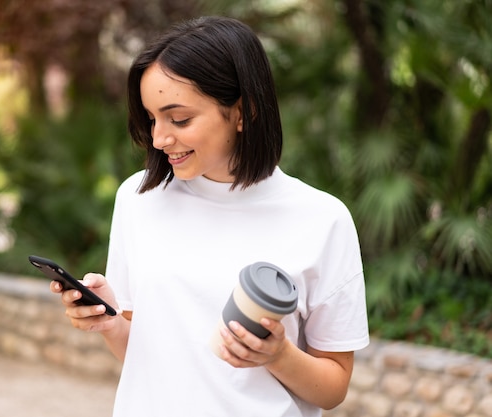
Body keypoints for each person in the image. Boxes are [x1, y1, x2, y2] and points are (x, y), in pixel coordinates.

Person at [50, 15, 369, 417]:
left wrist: (278, 355)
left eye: (179, 118)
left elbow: (334, 387)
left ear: (243, 111)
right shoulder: (138, 198)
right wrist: (110, 322)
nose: (159, 138)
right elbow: (148, 360)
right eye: (152, 118)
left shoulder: (323, 220)